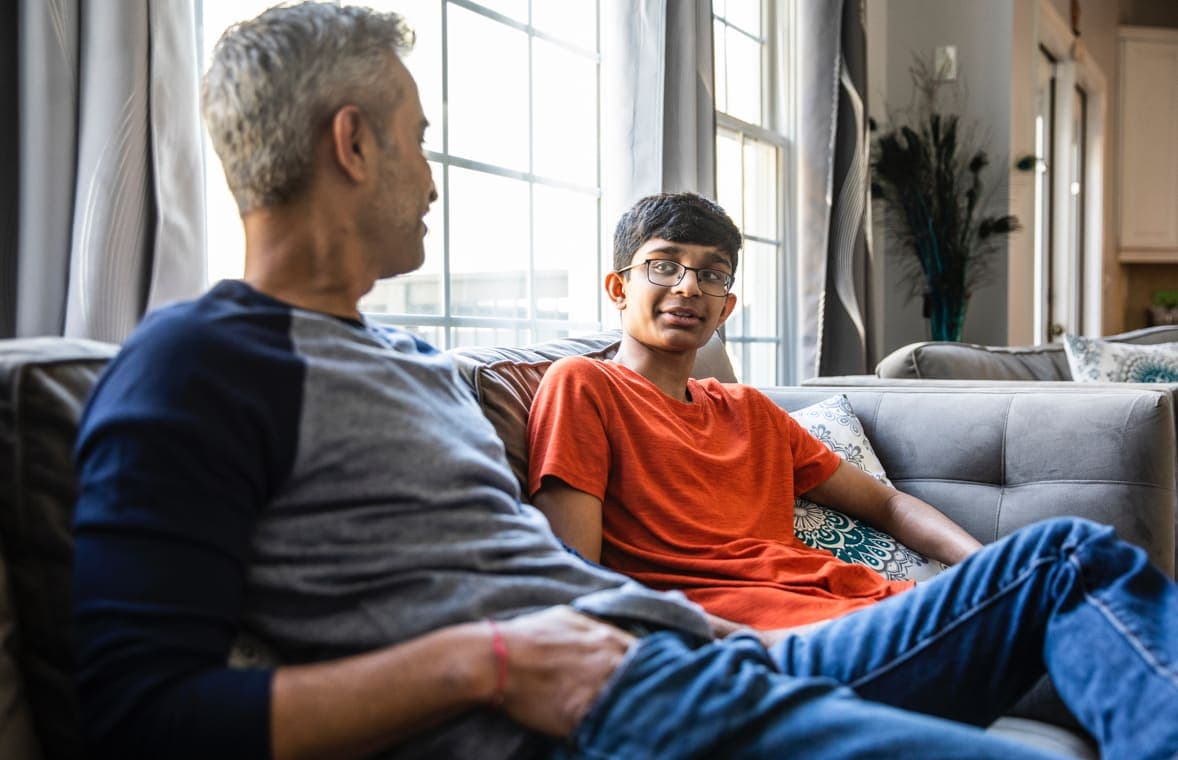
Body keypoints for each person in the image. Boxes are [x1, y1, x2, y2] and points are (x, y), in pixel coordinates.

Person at [70, 4, 1178, 759]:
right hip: (606, 704)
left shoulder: (407, 365)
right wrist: (488, 661)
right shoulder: (197, 364)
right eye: (418, 141)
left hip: (702, 658)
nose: (433, 183)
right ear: (352, 144)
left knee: (1064, 558)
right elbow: (138, 712)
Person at [527, 194, 982, 630]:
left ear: (725, 309)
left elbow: (888, 504)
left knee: (1024, 568)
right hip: (784, 637)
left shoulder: (749, 410)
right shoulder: (583, 384)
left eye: (712, 275)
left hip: (869, 606)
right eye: (663, 266)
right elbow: (578, 585)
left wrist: (982, 568)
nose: (688, 287)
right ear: (618, 288)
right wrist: (759, 644)